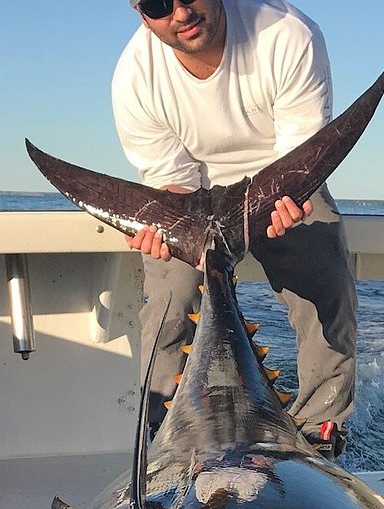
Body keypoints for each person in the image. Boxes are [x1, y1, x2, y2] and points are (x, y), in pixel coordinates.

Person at [113, 0, 358, 458]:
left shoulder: (286, 33)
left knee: (326, 285)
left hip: (283, 184)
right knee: (169, 304)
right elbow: (174, 180)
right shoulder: (134, 76)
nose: (180, 12)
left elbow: (299, 153)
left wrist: (289, 203)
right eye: (158, 4)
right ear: (139, 11)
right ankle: (165, 438)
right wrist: (176, 234)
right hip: (189, 199)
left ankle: (319, 435)